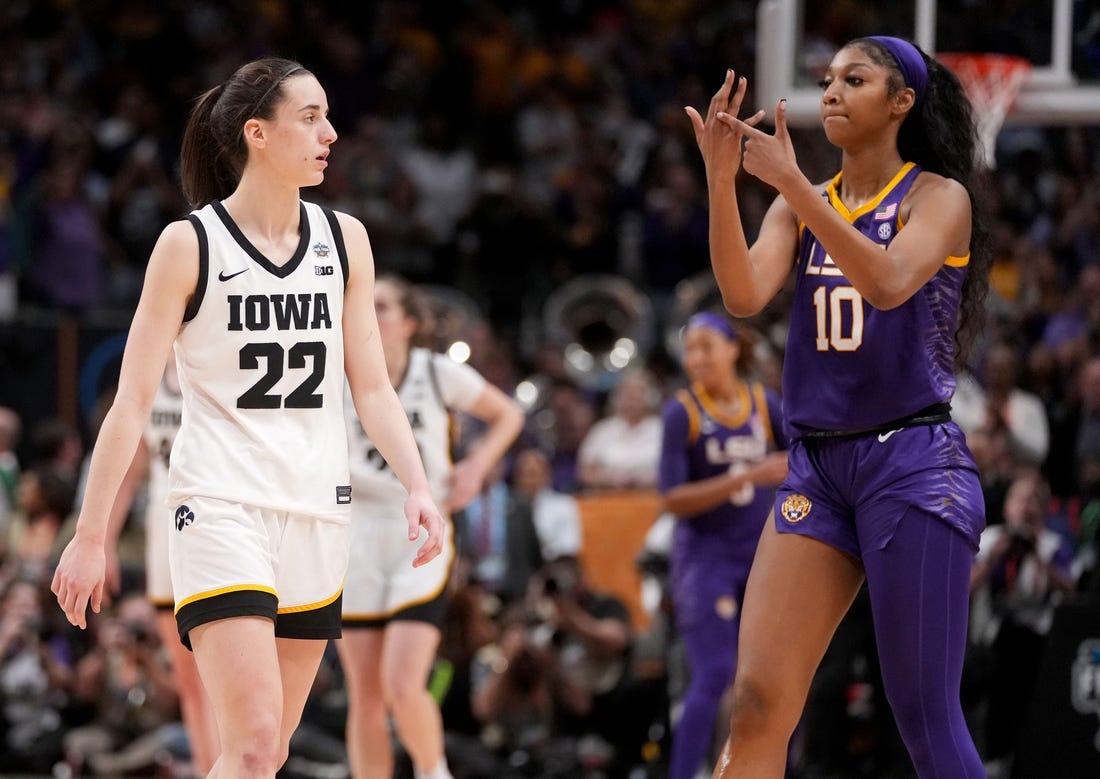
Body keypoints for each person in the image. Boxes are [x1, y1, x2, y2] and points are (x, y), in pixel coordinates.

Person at [50, 57, 445, 779]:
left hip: (319, 513)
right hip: (220, 506)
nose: (330, 132)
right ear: (257, 133)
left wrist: (419, 482)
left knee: (262, 757)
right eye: (311, 117)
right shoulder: (188, 244)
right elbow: (132, 399)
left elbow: (374, 387)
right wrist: (89, 533)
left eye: (328, 116)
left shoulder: (346, 239)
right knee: (256, 739)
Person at [686, 36, 991, 777]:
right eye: (826, 79)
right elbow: (743, 295)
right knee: (757, 701)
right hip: (818, 467)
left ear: (901, 102)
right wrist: (721, 183)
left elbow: (887, 281)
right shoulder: (805, 202)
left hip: (912, 464)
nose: (830, 91)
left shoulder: (938, 198)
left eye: (854, 79)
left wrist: (791, 185)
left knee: (923, 714)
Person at [338, 273, 524, 779]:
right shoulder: (335, 372)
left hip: (420, 533)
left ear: (410, 324)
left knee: (403, 685)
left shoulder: (436, 372)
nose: (370, 314)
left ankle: (433, 769)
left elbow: (509, 415)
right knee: (366, 696)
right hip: (354, 537)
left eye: (383, 306)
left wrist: (477, 466)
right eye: (364, 305)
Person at [657, 311, 788, 779]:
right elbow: (672, 498)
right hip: (704, 559)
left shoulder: (763, 402)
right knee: (714, 674)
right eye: (689, 349)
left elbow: (799, 459)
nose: (696, 358)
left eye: (705, 346)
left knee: (770, 684)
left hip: (762, 556)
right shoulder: (682, 412)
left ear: (734, 348)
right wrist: (751, 474)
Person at [104, 356, 219, 775]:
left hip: (220, 529)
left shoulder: (219, 359)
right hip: (165, 536)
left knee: (223, 680)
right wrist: (102, 543)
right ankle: (210, 769)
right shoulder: (147, 377)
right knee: (190, 681)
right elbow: (129, 471)